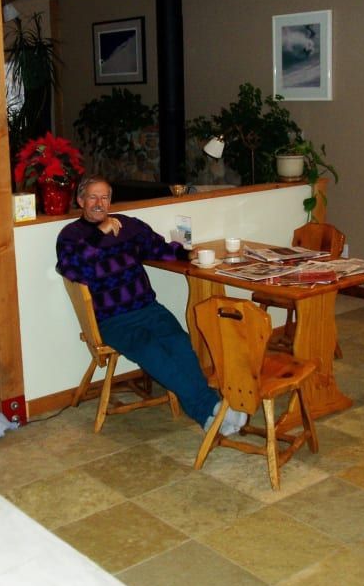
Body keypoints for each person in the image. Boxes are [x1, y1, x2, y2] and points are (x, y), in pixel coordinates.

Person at [56, 174, 247, 435]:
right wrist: (99, 236)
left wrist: (185, 254)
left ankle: (211, 411)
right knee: (155, 355)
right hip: (113, 319)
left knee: (181, 345)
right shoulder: (71, 236)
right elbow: (73, 269)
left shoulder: (127, 226)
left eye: (105, 197)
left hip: (148, 308)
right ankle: (208, 409)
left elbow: (158, 247)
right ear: (80, 200)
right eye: (93, 197)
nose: (100, 203)